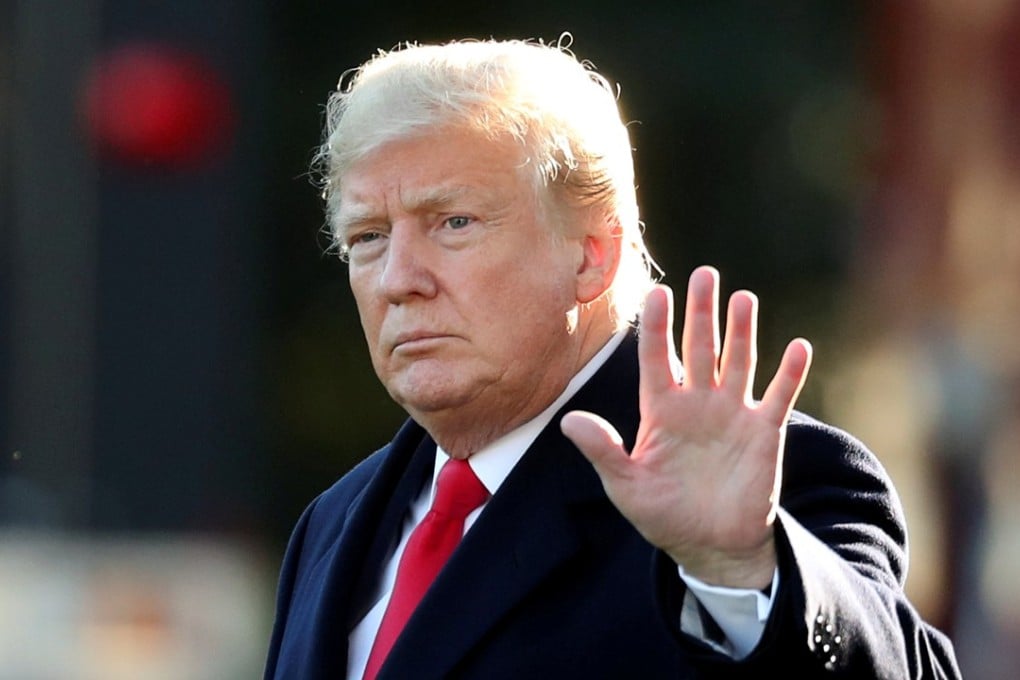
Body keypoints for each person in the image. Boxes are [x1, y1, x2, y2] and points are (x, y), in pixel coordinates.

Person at [264, 37, 961, 679]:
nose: (397, 279)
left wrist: (739, 574)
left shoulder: (762, 486)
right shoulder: (333, 523)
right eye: (368, 237)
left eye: (454, 222)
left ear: (592, 255)